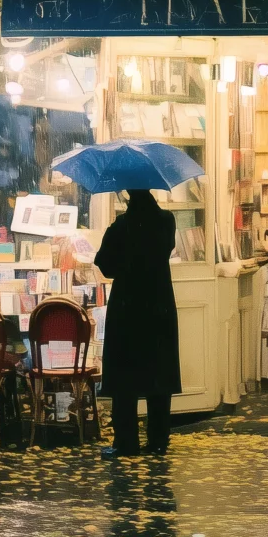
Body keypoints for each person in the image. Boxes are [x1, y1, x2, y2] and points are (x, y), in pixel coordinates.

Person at [94, 189, 181, 455]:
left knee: (124, 378)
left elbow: (105, 264)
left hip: (127, 307)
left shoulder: (121, 226)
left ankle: (126, 441)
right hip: (159, 305)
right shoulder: (167, 220)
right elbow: (166, 249)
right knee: (158, 373)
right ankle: (158, 440)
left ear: (129, 196)